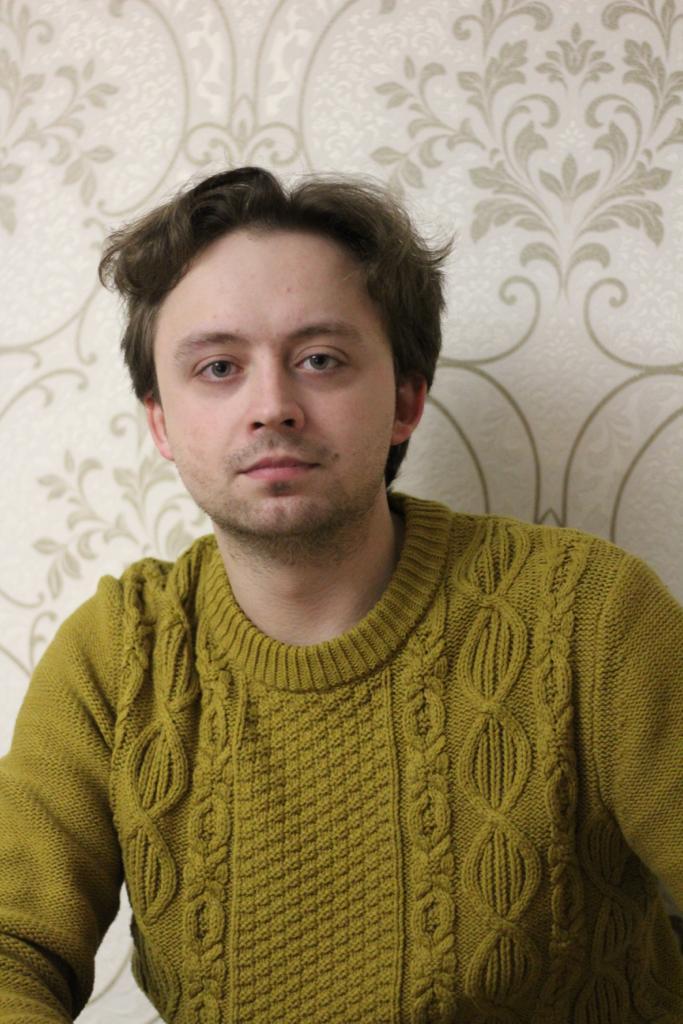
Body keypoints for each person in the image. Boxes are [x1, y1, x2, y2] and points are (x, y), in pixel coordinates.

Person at [0, 166, 681, 1024]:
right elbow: (13, 947)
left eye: (319, 359)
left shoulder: (589, 613)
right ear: (162, 424)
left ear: (405, 400)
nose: (272, 407)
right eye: (218, 367)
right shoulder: (115, 653)